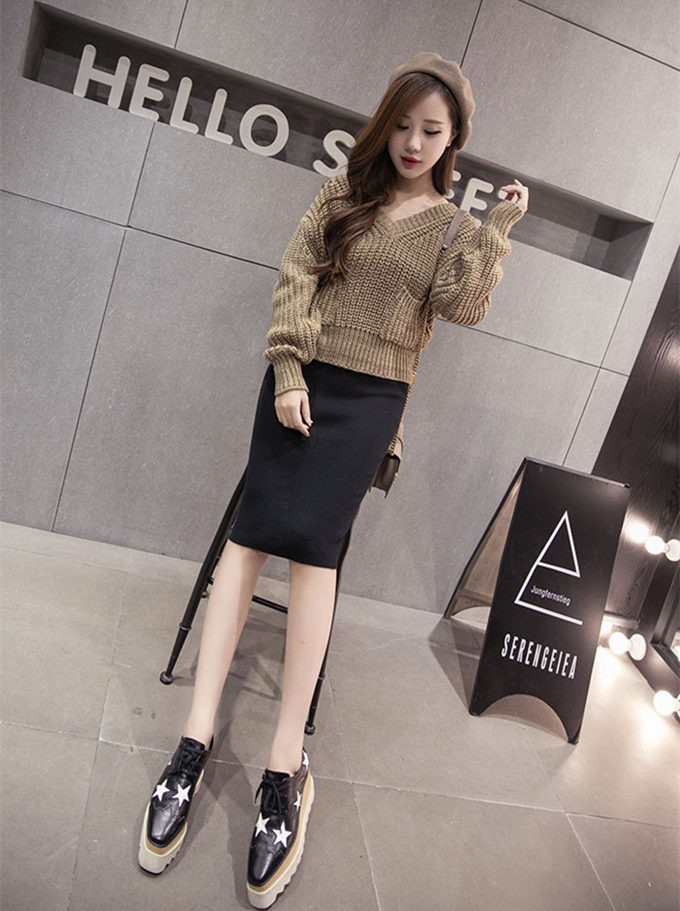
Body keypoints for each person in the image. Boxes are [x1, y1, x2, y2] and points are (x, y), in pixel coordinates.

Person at [137, 51, 528, 908]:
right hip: (299, 380)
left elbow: (463, 306)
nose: (414, 142)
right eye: (404, 124)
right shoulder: (342, 193)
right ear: (385, 123)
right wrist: (287, 372)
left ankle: (285, 766)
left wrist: (495, 230)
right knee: (247, 543)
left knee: (316, 556)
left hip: (371, 403)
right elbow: (294, 277)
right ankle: (195, 740)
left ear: (454, 139)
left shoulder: (452, 229)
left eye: (432, 130)